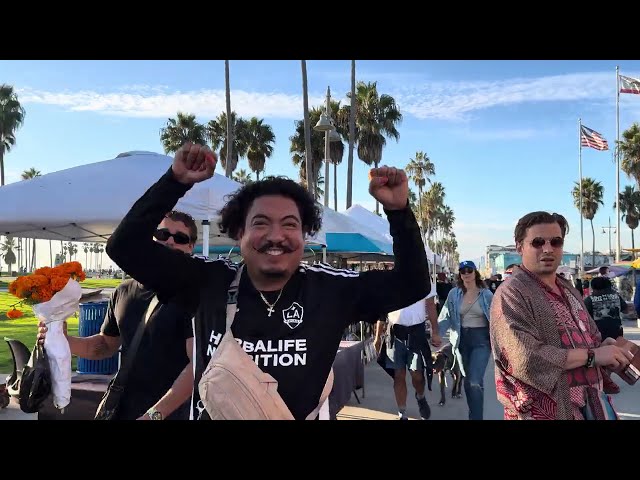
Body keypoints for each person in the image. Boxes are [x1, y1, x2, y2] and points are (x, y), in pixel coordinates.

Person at [105, 142, 430, 420]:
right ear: (239, 233)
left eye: (290, 225)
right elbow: (125, 246)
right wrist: (175, 182)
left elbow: (412, 284)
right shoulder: (206, 280)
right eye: (261, 223)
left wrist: (399, 212)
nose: (276, 236)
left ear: (304, 236)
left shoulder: (331, 289)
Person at [37, 210, 198, 420]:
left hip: (173, 413)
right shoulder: (123, 291)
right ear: (151, 238)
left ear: (190, 247)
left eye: (180, 238)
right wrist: (62, 339)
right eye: (162, 234)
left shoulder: (196, 293)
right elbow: (105, 346)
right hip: (123, 407)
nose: (169, 241)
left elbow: (197, 364)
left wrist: (155, 415)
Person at [490, 211, 633, 420]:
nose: (547, 249)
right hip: (542, 413)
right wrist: (593, 356)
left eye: (555, 242)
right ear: (520, 246)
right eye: (538, 242)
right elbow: (524, 357)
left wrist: (604, 348)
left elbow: (590, 339)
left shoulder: (568, 290)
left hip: (589, 407)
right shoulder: (511, 293)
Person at [373, 280, 441, 420]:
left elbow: (430, 306)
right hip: (395, 334)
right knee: (399, 375)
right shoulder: (390, 279)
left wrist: (435, 332)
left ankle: (420, 397)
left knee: (417, 374)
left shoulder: (424, 280)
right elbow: (383, 310)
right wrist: (377, 336)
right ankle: (402, 413)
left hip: (416, 333)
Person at [437, 260, 493, 420]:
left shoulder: (487, 295)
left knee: (474, 381)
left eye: (469, 270)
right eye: (463, 271)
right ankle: (474, 413)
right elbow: (446, 316)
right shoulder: (454, 294)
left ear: (475, 272)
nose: (466, 274)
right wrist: (437, 335)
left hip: (481, 340)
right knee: (469, 381)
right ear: (460, 275)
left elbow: (497, 318)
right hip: (461, 340)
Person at [585, 276, 627, 341]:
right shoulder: (617, 297)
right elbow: (625, 310)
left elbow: (585, 317)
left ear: (593, 287)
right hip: (616, 331)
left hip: (598, 333)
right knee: (616, 349)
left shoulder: (589, 300)